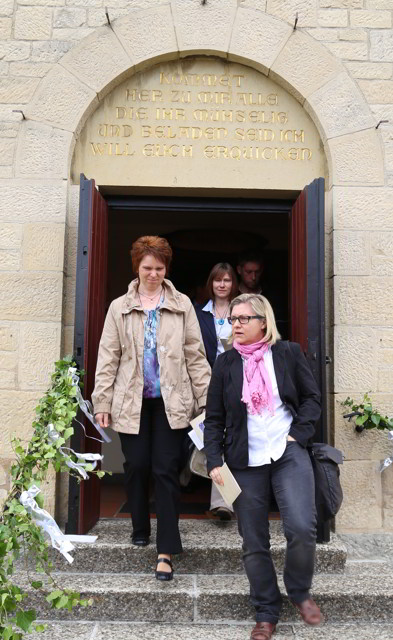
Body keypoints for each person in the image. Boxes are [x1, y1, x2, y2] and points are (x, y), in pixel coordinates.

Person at [203, 293, 322, 639]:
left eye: (243, 319)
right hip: (244, 460)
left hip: (287, 453)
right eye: (233, 319)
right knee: (253, 541)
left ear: (263, 323)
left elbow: (312, 399)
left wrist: (298, 435)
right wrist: (214, 461)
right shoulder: (225, 364)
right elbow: (214, 419)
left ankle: (299, 592)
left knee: (302, 527)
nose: (235, 325)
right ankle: (266, 611)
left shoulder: (288, 353)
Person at [92, 235, 211, 581]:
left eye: (159, 268)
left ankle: (166, 549)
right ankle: (140, 525)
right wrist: (102, 400)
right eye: (147, 268)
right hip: (131, 401)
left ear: (166, 268)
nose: (153, 274)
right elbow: (108, 356)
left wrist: (206, 401)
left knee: (165, 470)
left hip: (172, 402)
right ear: (137, 267)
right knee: (137, 465)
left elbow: (195, 355)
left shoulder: (183, 304)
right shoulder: (119, 307)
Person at [195, 262, 238, 520]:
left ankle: (224, 502)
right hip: (206, 384)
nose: (222, 285)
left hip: (237, 383)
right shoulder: (199, 314)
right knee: (203, 440)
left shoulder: (244, 311)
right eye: (217, 280)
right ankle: (187, 474)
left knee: (226, 440)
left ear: (234, 284)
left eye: (227, 280)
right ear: (210, 284)